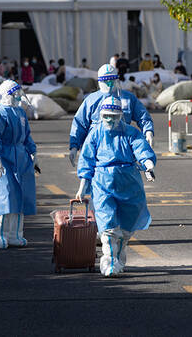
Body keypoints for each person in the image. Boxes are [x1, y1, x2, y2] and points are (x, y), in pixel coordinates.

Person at [76, 96, 156, 277]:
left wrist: (148, 165)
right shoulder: (96, 133)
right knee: (108, 226)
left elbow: (141, 148)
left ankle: (120, 254)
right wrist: (83, 185)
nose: (110, 120)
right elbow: (87, 160)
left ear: (121, 115)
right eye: (106, 116)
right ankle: (110, 262)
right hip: (103, 182)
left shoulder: (131, 132)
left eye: (113, 116)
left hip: (129, 182)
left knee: (127, 225)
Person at [0, 80, 39, 249]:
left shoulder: (20, 113)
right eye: (15, 93)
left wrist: (33, 152)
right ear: (8, 94)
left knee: (20, 197)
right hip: (5, 159)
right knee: (4, 196)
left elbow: (27, 136)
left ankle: (15, 234)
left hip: (21, 159)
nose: (18, 96)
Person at [69, 64, 155, 167]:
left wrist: (148, 131)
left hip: (123, 149)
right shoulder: (91, 100)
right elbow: (80, 123)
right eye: (106, 81)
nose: (109, 85)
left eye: (111, 80)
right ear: (100, 82)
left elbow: (142, 116)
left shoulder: (128, 98)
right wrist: (74, 146)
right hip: (97, 150)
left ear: (116, 80)